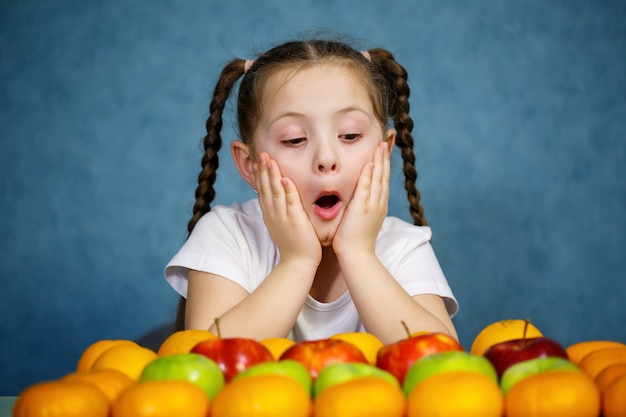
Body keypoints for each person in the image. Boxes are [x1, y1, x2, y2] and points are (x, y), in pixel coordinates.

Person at [165, 38, 459, 344]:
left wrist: (358, 253)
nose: (326, 159)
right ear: (250, 165)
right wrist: (297, 261)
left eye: (349, 135)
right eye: (294, 140)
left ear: (383, 152)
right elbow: (209, 361)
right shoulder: (227, 234)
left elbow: (444, 363)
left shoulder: (402, 246)